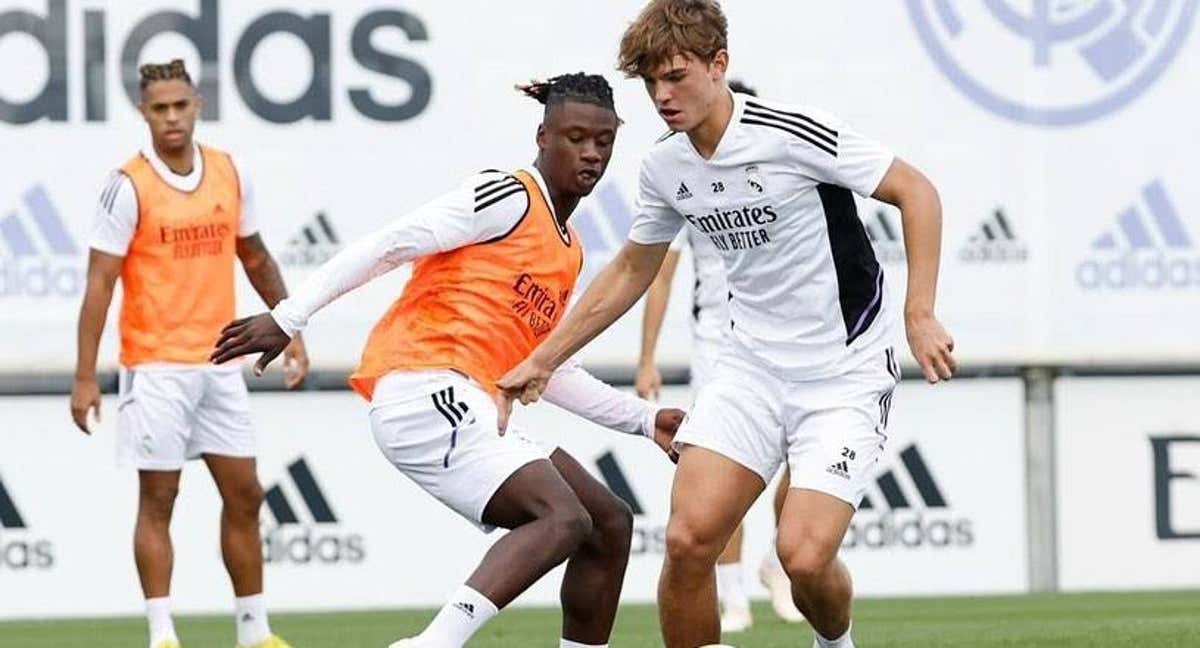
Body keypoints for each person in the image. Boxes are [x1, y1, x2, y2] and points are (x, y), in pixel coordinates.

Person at [498, 2, 957, 647]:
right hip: (748, 371)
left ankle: (835, 643)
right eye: (651, 82)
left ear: (720, 66)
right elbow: (633, 267)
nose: (663, 95)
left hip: (842, 372)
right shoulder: (664, 166)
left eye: (676, 76)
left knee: (802, 557)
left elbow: (919, 192)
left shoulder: (793, 134)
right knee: (687, 542)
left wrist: (920, 313)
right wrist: (546, 357)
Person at [210, 73, 684, 648]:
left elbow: (545, 367)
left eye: (603, 141)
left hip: (468, 402)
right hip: (422, 387)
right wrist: (289, 316)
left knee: (608, 522)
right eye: (575, 138)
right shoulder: (506, 196)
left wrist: (642, 420)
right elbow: (389, 244)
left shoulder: (568, 248)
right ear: (542, 136)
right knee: (562, 517)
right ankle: (433, 643)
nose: (590, 153)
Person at [70, 59, 307, 648]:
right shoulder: (127, 184)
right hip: (155, 366)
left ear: (197, 104)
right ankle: (162, 634)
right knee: (160, 497)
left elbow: (255, 257)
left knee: (246, 493)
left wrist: (292, 327)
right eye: (159, 108)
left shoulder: (230, 171)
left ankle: (255, 633)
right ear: (144, 112)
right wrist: (84, 377)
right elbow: (99, 284)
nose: (171, 117)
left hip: (220, 362)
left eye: (180, 105)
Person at [635, 78, 805, 633]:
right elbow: (657, 274)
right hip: (720, 346)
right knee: (715, 474)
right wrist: (646, 358)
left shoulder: (780, 170)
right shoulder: (683, 178)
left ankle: (777, 561)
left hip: (788, 346)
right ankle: (732, 598)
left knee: (803, 460)